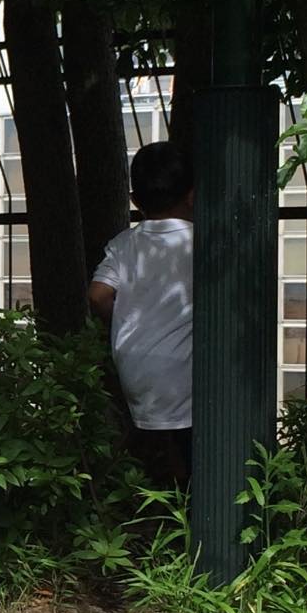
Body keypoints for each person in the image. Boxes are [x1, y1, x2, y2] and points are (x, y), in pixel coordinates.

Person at [88, 141, 194, 488]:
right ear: (192, 195)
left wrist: (124, 322)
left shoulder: (124, 243)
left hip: (136, 369)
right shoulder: (204, 242)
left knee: (156, 457)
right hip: (186, 374)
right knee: (190, 456)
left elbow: (98, 294)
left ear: (135, 200)